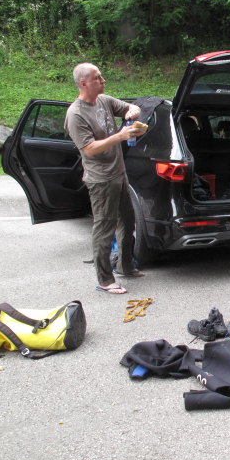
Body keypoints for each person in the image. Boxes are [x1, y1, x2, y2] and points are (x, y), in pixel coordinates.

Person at [64, 63, 147, 294]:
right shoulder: (76, 114)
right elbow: (89, 149)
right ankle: (105, 279)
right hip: (101, 179)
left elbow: (130, 107)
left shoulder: (104, 100)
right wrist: (120, 136)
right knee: (104, 227)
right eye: (97, 78)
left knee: (127, 221)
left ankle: (126, 266)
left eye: (101, 76)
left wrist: (132, 112)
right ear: (84, 83)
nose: (103, 80)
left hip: (119, 174)